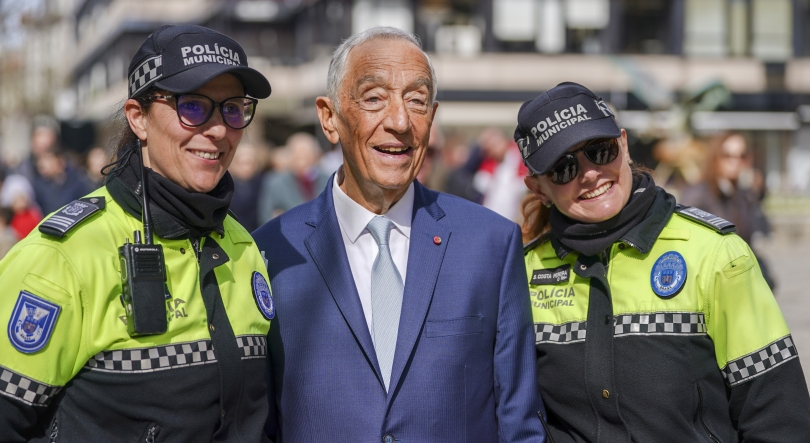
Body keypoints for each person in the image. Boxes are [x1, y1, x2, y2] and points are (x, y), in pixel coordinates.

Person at [252, 27, 546, 443]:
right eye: (374, 98)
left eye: (417, 101)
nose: (400, 121)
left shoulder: (490, 244)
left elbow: (519, 421)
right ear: (329, 118)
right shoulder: (271, 250)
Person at [0, 25, 274, 442]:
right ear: (138, 118)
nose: (219, 129)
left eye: (233, 108)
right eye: (194, 106)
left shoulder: (243, 244)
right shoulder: (62, 256)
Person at [516, 82, 810, 442]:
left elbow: (780, 419)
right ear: (539, 189)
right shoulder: (521, 275)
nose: (589, 173)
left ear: (623, 145)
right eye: (563, 168)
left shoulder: (716, 254)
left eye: (600, 150)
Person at [680, 132, 776, 288]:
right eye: (727, 155)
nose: (735, 162)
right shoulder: (699, 193)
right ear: (715, 157)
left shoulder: (739, 193)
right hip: (710, 282)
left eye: (742, 156)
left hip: (738, 280)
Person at [258, 132, 329, 222]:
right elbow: (266, 215)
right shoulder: (275, 181)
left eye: (305, 155)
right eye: (297, 154)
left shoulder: (327, 179)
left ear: (315, 155)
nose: (301, 159)